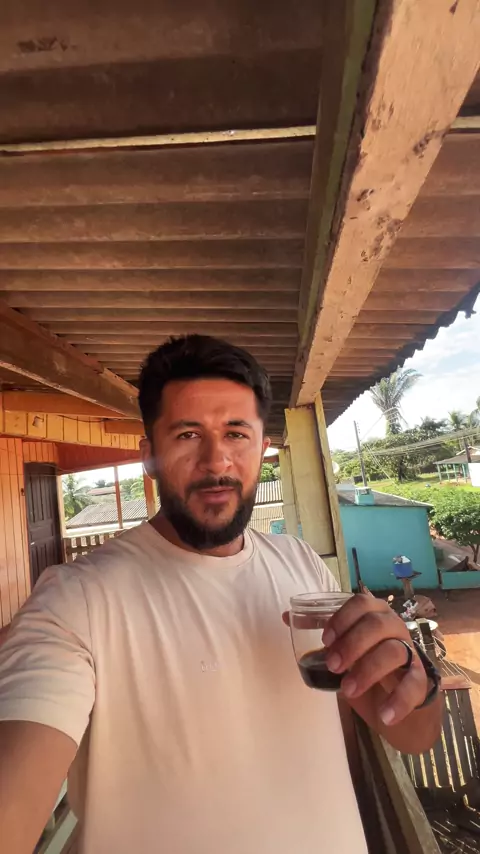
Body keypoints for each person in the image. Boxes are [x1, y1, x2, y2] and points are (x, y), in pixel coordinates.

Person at [0, 335, 441, 854]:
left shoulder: (301, 566)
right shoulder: (74, 602)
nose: (216, 461)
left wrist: (415, 672)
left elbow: (413, 735)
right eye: (188, 434)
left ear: (262, 447)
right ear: (149, 456)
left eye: (236, 433)